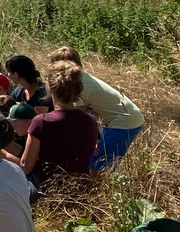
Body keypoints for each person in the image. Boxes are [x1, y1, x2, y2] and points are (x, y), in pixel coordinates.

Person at [4, 61, 99, 203]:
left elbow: (25, 167)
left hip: (45, 191)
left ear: (49, 87)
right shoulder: (90, 120)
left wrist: (2, 154)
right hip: (80, 193)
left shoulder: (41, 121)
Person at [48, 46, 145, 175]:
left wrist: (89, 141)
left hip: (123, 121)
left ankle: (97, 192)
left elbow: (79, 119)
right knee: (100, 162)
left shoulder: (80, 87)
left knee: (98, 166)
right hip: (128, 117)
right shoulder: (83, 79)